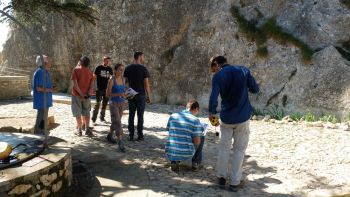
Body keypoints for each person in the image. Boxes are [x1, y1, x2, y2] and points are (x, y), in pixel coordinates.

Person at [208, 56, 259, 192]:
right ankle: (234, 183)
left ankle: (221, 178)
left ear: (218, 64)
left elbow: (213, 97)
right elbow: (255, 89)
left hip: (226, 118)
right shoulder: (243, 70)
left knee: (224, 148)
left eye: (214, 67)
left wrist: (211, 112)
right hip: (243, 117)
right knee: (239, 151)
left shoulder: (218, 77)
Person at [165, 99, 205, 172]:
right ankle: (195, 163)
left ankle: (174, 161)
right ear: (196, 109)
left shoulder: (173, 116)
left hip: (171, 149)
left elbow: (169, 130)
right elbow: (197, 141)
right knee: (201, 137)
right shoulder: (195, 120)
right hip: (186, 151)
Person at [124, 51, 151, 141]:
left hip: (131, 94)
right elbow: (146, 84)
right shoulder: (143, 69)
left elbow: (125, 82)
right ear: (139, 57)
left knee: (131, 115)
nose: (143, 58)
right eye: (143, 56)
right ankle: (140, 136)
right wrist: (149, 96)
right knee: (140, 116)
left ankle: (131, 135)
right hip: (141, 95)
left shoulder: (128, 68)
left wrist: (126, 92)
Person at [71, 56, 94, 136]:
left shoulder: (76, 70)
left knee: (77, 113)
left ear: (80, 61)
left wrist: (81, 94)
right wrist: (87, 94)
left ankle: (79, 130)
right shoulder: (90, 72)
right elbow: (91, 85)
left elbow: (75, 84)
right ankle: (87, 129)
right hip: (86, 96)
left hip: (77, 95)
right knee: (86, 112)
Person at [106, 63, 126, 152]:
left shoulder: (123, 79)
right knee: (117, 122)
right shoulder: (111, 80)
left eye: (122, 70)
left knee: (116, 121)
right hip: (113, 103)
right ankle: (120, 142)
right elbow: (107, 94)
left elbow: (123, 91)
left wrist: (127, 94)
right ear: (115, 70)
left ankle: (109, 135)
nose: (121, 71)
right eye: (120, 70)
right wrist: (119, 94)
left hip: (121, 103)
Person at [33, 55, 55, 136]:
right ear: (44, 62)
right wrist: (50, 90)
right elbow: (38, 88)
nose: (50, 61)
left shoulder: (45, 72)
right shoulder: (39, 72)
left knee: (43, 117)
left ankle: (41, 131)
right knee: (41, 117)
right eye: (48, 59)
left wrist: (51, 88)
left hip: (45, 100)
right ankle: (38, 133)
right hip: (42, 100)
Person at [92, 56, 113, 123]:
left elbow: (111, 78)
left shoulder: (110, 69)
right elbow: (94, 77)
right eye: (106, 61)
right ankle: (94, 118)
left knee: (105, 104)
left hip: (107, 89)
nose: (107, 62)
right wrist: (93, 87)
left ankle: (102, 117)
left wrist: (111, 87)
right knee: (98, 103)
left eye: (108, 61)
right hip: (99, 88)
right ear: (103, 60)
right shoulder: (98, 67)